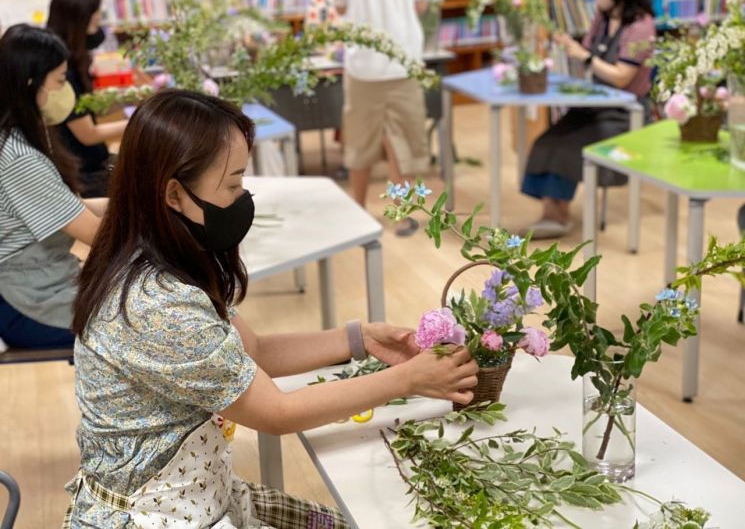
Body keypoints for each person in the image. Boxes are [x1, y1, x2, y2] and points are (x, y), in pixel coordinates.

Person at [64, 89, 478, 527]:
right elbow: (276, 413)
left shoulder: (157, 254)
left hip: (199, 495)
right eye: (233, 184)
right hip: (157, 516)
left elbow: (253, 351)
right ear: (173, 194)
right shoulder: (157, 307)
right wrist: (407, 378)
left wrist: (359, 340)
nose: (243, 197)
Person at [520, 0, 655, 239]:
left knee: (568, 148)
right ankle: (552, 212)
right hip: (594, 105)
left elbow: (621, 77)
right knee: (545, 142)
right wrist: (571, 48)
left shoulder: (641, 26)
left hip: (625, 115)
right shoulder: (602, 19)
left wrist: (584, 57)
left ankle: (558, 216)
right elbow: (587, 51)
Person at [0, 25, 103, 350]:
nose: (65, 90)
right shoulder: (18, 157)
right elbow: (98, 235)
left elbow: (73, 208)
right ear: (31, 82)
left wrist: (137, 202)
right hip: (29, 302)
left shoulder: (19, 136)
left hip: (42, 281)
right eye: (60, 81)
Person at [326, 0, 433, 236]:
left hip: (362, 63)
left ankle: (359, 209)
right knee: (402, 141)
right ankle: (401, 215)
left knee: (360, 139)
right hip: (404, 59)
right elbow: (421, 4)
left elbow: (339, 6)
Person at [47, 0, 128, 198]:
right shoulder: (62, 73)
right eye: (95, 17)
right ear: (79, 20)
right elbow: (88, 134)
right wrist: (137, 121)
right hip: (85, 175)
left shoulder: (74, 62)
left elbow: (88, 107)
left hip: (92, 166)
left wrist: (134, 99)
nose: (100, 22)